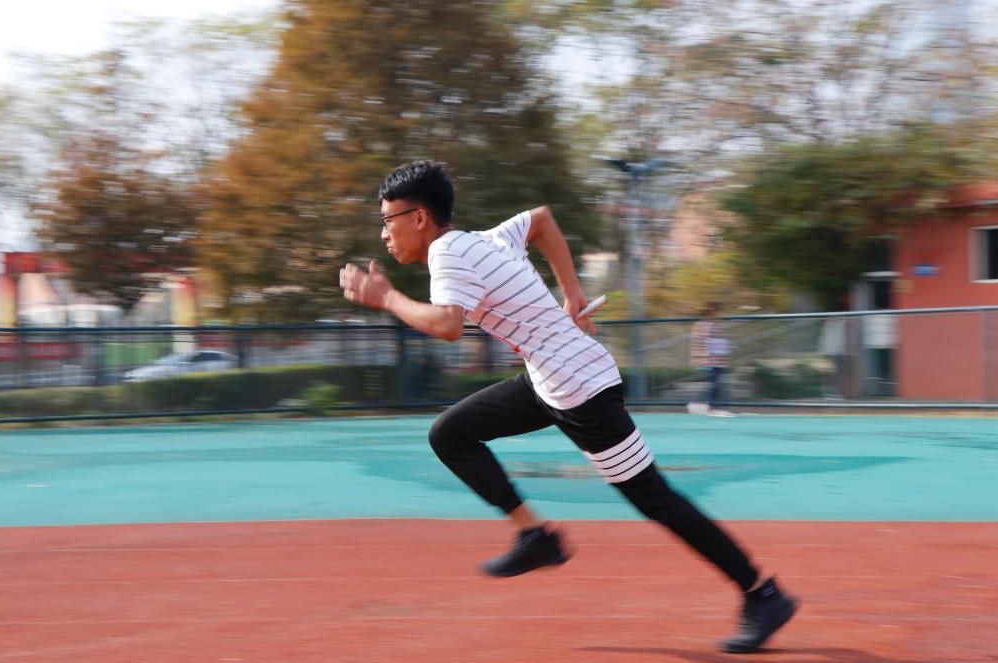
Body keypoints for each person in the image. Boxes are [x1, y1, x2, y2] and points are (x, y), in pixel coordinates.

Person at [339, 161, 796, 653]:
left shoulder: (448, 253)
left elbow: (448, 325)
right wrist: (572, 296)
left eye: (387, 220)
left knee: (655, 499)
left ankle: (762, 593)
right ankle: (536, 538)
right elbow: (541, 219)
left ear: (419, 217)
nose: (384, 233)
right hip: (549, 381)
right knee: (450, 433)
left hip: (581, 388)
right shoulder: (484, 241)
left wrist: (387, 299)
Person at [688, 301, 734, 417]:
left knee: (715, 383)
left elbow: (719, 341)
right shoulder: (703, 325)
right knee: (715, 383)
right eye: (717, 311)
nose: (719, 314)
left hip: (717, 360)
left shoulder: (714, 324)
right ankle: (711, 406)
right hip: (708, 360)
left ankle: (704, 405)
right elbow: (700, 343)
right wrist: (700, 357)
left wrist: (726, 349)